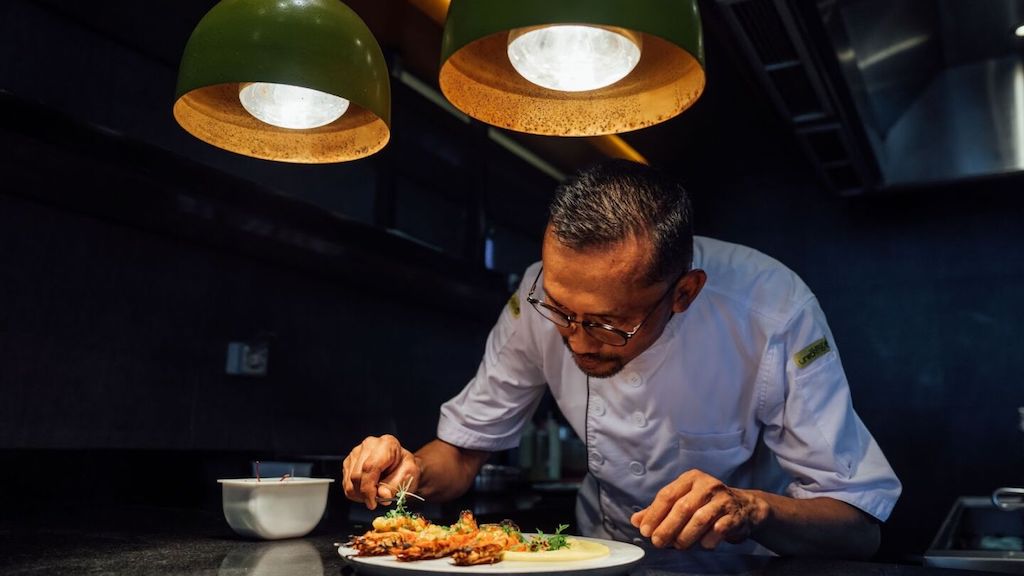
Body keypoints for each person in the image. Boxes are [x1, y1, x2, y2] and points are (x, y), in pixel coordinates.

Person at [342, 159, 901, 558]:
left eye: (611, 323)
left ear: (684, 293)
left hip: (739, 566)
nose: (578, 340)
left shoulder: (773, 310)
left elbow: (858, 524)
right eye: (562, 313)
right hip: (593, 556)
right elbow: (461, 457)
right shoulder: (539, 294)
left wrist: (751, 509)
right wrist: (407, 472)